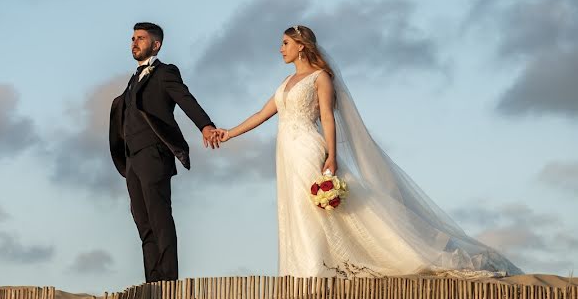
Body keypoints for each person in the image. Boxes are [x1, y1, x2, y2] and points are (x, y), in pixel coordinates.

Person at [214, 25, 521, 278]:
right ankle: (302, 274)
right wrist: (228, 134)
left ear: (301, 46)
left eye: (284, 43)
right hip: (286, 154)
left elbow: (327, 119)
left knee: (316, 210)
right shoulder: (285, 82)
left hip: (308, 148)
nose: (280, 49)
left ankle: (318, 273)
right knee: (293, 209)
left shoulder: (320, 79)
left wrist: (331, 157)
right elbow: (260, 114)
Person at [109, 22, 220, 282]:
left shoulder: (165, 73)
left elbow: (185, 99)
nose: (134, 42)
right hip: (133, 159)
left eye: (141, 38)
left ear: (155, 44)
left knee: (159, 217)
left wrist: (205, 125)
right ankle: (152, 283)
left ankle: (167, 282)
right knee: (143, 222)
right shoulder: (131, 80)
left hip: (154, 153)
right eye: (133, 38)